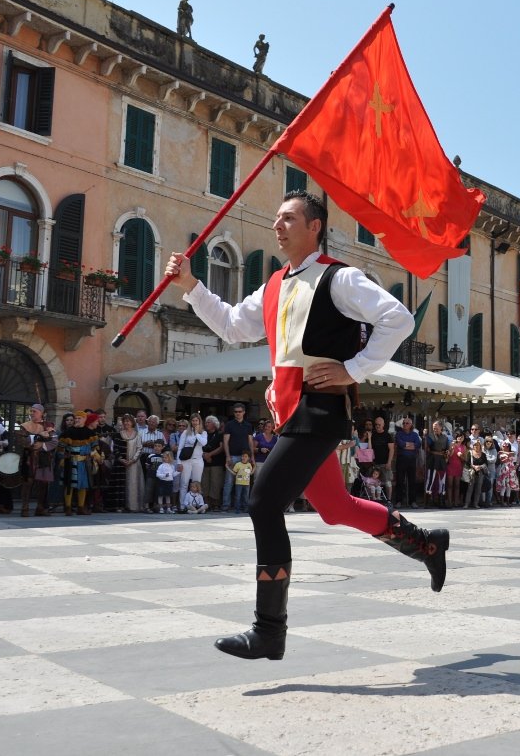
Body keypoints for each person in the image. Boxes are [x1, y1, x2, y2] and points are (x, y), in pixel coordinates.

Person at [163, 188, 447, 662]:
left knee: (262, 501)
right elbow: (234, 326)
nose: (278, 225)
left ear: (315, 227)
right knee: (335, 507)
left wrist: (353, 369)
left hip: (319, 409)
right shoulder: (274, 284)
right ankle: (426, 546)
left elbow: (397, 319)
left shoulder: (340, 278)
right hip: (291, 412)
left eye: (289, 218)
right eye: (276, 218)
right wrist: (191, 286)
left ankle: (269, 630)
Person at [221, 404, 255, 512]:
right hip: (233, 456)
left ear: (244, 412)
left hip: (245, 457)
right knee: (229, 482)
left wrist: (252, 457)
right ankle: (226, 506)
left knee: (245, 482)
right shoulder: (229, 425)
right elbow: (225, 442)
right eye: (235, 412)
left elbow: (250, 442)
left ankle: (243, 506)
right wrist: (227, 456)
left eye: (239, 411)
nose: (237, 413)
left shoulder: (248, 425)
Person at [155, 448, 177, 513]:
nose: (164, 459)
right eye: (163, 457)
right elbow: (157, 474)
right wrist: (164, 476)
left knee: (168, 495)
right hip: (162, 482)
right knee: (160, 495)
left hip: (169, 482)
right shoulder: (161, 466)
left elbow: (173, 475)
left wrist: (178, 472)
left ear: (170, 458)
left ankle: (168, 508)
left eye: (166, 458)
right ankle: (161, 508)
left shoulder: (172, 466)